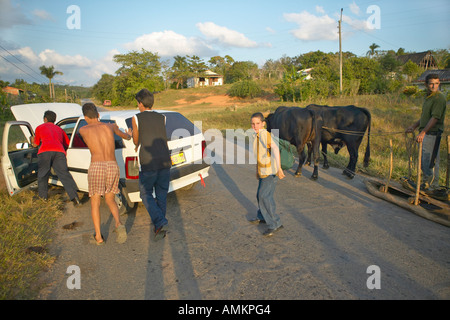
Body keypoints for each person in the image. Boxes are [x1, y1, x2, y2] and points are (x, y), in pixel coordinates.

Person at [79, 103, 132, 245]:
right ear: (98, 114)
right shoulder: (110, 127)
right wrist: (129, 134)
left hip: (97, 166)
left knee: (95, 202)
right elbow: (126, 136)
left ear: (85, 117)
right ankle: (118, 223)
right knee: (110, 199)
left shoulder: (83, 129)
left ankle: (98, 237)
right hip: (112, 166)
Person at [132, 88, 172, 241]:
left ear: (141, 103)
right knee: (161, 194)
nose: (138, 106)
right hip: (164, 160)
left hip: (148, 162)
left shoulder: (136, 118)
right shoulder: (162, 117)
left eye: (138, 103)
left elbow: (136, 140)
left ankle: (161, 222)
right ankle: (159, 226)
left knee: (145, 193)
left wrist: (131, 135)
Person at [406, 73, 446, 190]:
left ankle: (432, 186)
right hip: (426, 133)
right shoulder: (429, 97)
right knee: (424, 161)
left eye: (436, 84)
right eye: (431, 84)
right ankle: (427, 184)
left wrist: (423, 132)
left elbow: (435, 118)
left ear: (439, 84)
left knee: (430, 161)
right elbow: (425, 117)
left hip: (432, 134)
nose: (434, 86)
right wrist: (414, 126)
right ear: (426, 84)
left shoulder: (439, 98)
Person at [31, 110, 80, 206]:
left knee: (43, 175)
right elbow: (67, 143)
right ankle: (75, 198)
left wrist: (32, 141)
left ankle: (43, 198)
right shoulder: (60, 130)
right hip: (59, 152)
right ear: (54, 119)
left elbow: (36, 144)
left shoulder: (39, 128)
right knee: (64, 175)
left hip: (45, 152)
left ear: (45, 119)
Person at [249, 112, 285, 237]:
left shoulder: (264, 134)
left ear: (263, 123)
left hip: (270, 171)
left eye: (258, 123)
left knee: (265, 196)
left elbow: (275, 149)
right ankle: (262, 216)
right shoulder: (256, 135)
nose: (255, 126)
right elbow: (260, 154)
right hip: (263, 171)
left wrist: (279, 168)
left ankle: (275, 223)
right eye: (253, 123)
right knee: (260, 195)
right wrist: (257, 171)